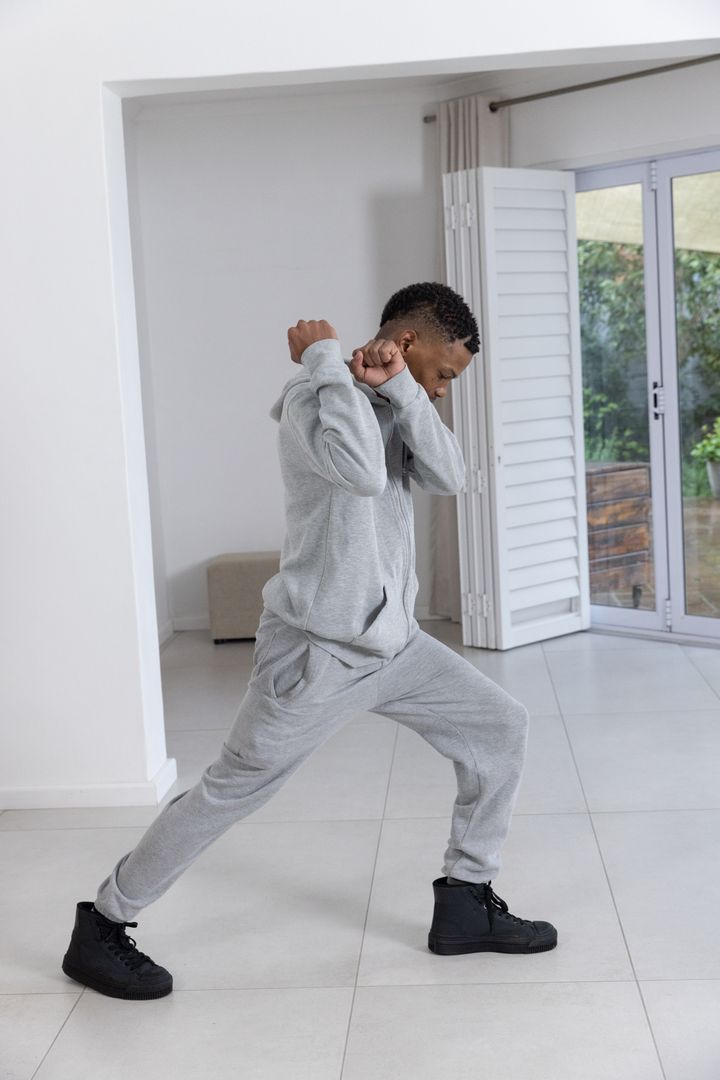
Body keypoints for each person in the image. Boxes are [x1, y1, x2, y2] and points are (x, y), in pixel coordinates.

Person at [61, 281, 557, 1001]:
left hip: (396, 644)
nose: (445, 390)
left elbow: (452, 477)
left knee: (502, 726)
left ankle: (464, 901)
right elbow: (358, 474)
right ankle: (103, 925)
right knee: (229, 792)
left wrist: (407, 395)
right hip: (317, 653)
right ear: (409, 343)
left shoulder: (399, 402)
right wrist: (326, 358)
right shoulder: (314, 398)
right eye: (444, 374)